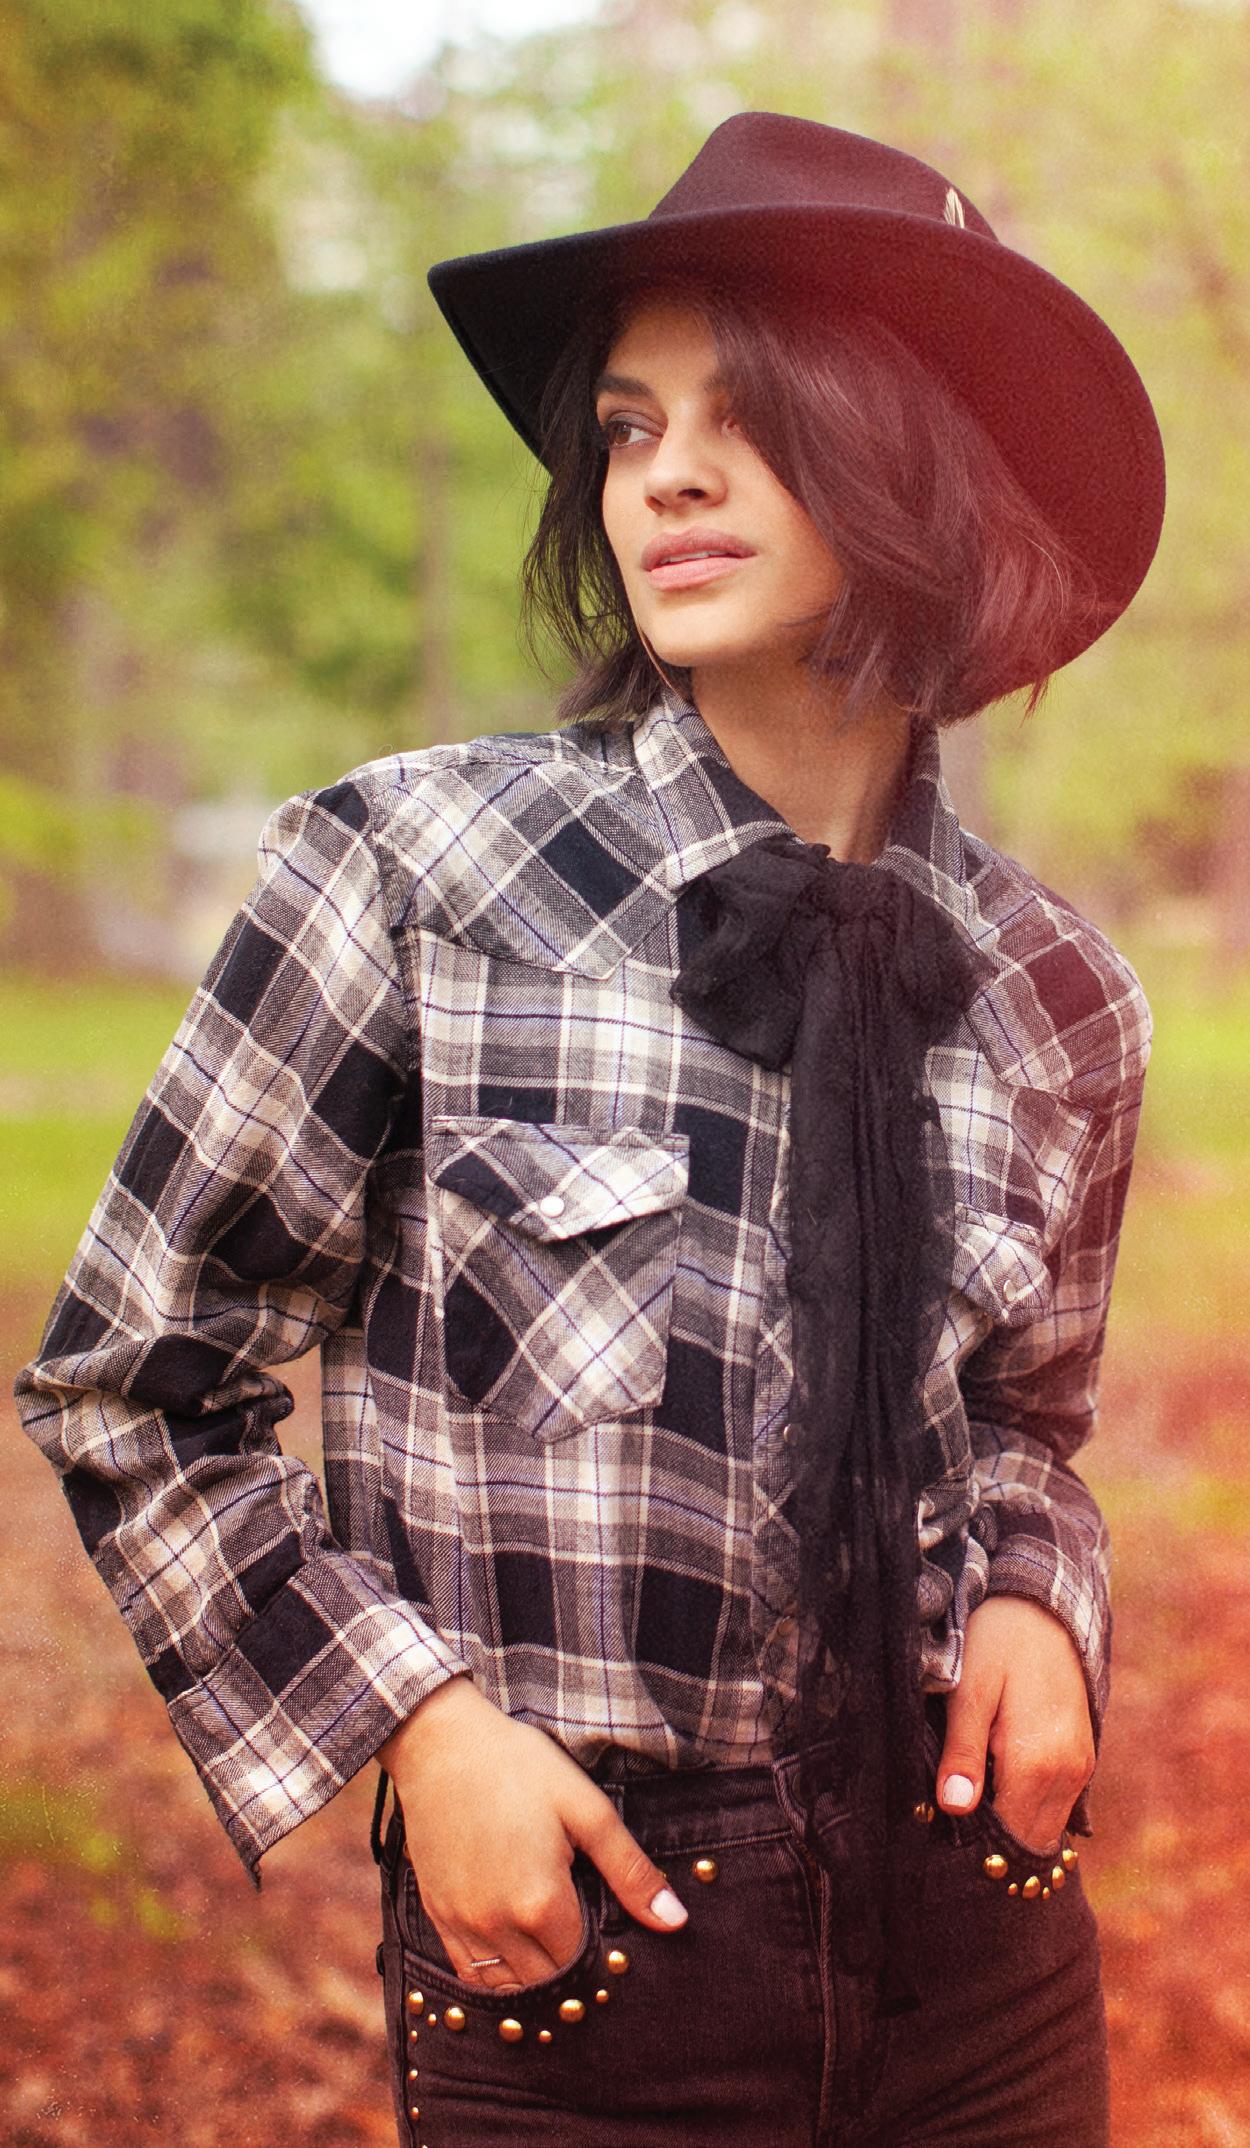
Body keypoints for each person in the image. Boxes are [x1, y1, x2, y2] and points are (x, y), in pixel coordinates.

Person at [15, 113, 1163, 2147]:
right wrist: (414, 1727)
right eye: (629, 429)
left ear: (917, 460)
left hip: (985, 1953)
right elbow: (135, 1384)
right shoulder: (412, 873)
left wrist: (1031, 1596)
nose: (665, 477)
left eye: (749, 417)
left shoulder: (1063, 995)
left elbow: (1021, 1423)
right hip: (591, 1963)